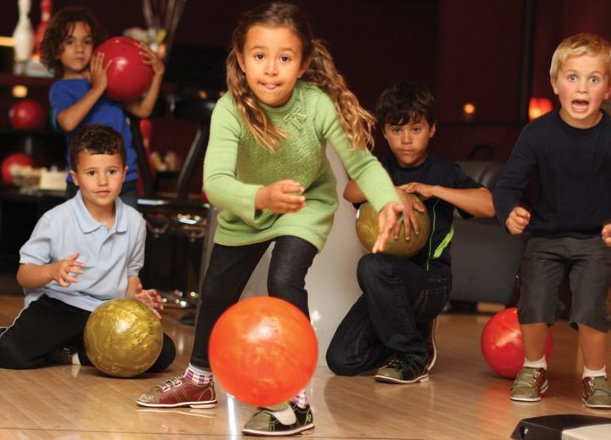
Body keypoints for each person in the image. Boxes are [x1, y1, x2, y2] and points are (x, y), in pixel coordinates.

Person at [136, 2, 403, 436]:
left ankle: (297, 400)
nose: (271, 69)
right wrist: (261, 195)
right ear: (241, 60)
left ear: (303, 64)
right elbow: (216, 184)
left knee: (283, 280)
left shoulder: (317, 104)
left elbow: (362, 163)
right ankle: (199, 381)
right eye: (259, 56)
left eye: (285, 57)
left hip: (303, 205)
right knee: (217, 291)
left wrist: (387, 198)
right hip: (251, 206)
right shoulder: (230, 109)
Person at [326, 82, 495, 383]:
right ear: (385, 132)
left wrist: (436, 191)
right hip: (385, 283)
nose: (406, 140)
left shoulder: (444, 172)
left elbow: (489, 205)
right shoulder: (380, 169)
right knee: (342, 359)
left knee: (371, 265)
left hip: (430, 282)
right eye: (396, 130)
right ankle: (410, 338)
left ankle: (414, 355)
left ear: (431, 130)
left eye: (416, 129)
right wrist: (391, 190)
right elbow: (351, 191)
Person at [493, 32, 611, 409]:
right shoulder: (537, 134)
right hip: (544, 237)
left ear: (607, 90)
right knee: (535, 296)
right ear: (555, 84)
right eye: (572, 77)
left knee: (592, 300)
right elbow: (507, 185)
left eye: (594, 79)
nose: (582, 87)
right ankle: (533, 367)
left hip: (594, 239)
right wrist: (509, 210)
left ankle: (596, 376)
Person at [0, 124, 175, 372]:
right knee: (12, 354)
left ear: (124, 173)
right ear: (75, 177)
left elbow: (131, 277)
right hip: (58, 306)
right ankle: (66, 348)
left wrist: (137, 299)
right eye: (91, 173)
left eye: (111, 171)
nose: (103, 181)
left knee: (162, 353)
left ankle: (73, 355)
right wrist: (52, 271)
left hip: (106, 312)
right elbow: (24, 274)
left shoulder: (135, 222)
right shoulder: (55, 219)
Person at [40, 6, 165, 208]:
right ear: (55, 49)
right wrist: (98, 89)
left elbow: (143, 111)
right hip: (84, 182)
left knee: (124, 237)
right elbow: (67, 122)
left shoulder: (108, 81)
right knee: (82, 239)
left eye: (87, 41)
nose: (79, 48)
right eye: (70, 41)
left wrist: (158, 75)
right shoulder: (62, 89)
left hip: (123, 179)